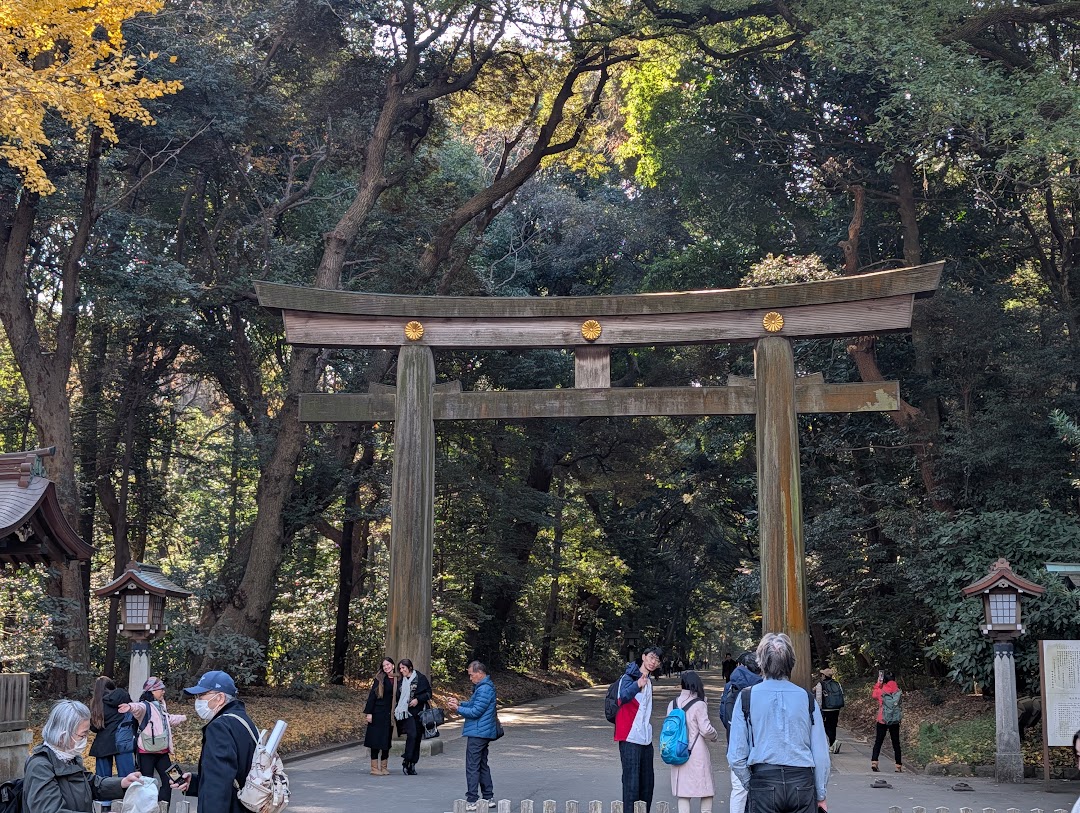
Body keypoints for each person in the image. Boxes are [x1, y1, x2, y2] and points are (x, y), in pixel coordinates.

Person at [727, 633, 830, 813]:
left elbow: (736, 756)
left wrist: (751, 784)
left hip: (764, 779)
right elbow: (821, 753)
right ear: (791, 662)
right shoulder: (807, 698)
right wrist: (820, 793)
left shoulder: (746, 697)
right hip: (802, 782)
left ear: (761, 662)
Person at [23, 698, 142, 813]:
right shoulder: (40, 767)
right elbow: (49, 810)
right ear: (63, 735)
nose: (85, 739)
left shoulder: (69, 757)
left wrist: (122, 783)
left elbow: (89, 783)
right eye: (82, 735)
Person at [171, 670, 258, 813]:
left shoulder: (219, 727)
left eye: (202, 695)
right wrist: (194, 783)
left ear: (220, 698)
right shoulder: (243, 721)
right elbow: (231, 774)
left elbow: (218, 784)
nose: (197, 701)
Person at [122, 676, 187, 812]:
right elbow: (138, 708)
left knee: (171, 780)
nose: (163, 691)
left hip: (163, 752)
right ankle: (147, 809)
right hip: (146, 753)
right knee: (146, 784)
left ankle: (163, 808)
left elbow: (167, 720)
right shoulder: (145, 706)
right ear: (152, 691)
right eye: (160, 689)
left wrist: (182, 718)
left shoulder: (160, 705)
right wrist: (130, 707)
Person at [614, 645, 663, 813]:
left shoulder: (649, 681)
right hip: (629, 737)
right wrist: (637, 685)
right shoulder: (628, 677)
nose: (653, 662)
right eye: (651, 657)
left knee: (647, 785)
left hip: (645, 739)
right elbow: (621, 698)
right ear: (643, 657)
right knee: (632, 785)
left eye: (657, 660)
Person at [447, 660, 498, 811]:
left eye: (471, 675)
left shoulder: (484, 689)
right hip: (482, 731)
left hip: (478, 732)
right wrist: (460, 703)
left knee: (472, 765)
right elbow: (473, 704)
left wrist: (457, 709)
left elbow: (475, 712)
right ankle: (488, 797)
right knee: (481, 764)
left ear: (480, 673)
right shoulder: (483, 687)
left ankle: (472, 799)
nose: (470, 678)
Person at [668, 670, 718, 813]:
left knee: (683, 793)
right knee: (706, 790)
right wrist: (715, 736)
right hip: (696, 752)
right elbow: (706, 730)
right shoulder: (699, 704)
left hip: (678, 751)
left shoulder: (672, 704)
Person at [718, 651, 762, 813]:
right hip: (760, 746)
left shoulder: (730, 686)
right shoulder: (763, 687)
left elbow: (723, 715)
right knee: (762, 789)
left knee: (739, 789)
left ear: (741, 665)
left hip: (736, 744)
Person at [88, 675, 136, 805]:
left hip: (103, 745)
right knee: (128, 777)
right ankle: (131, 804)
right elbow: (132, 712)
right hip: (122, 742)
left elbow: (95, 727)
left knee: (103, 781)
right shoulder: (122, 695)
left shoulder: (97, 703)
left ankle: (104, 806)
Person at [395, 658, 432, 775]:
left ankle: (412, 763)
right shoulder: (401, 681)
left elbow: (429, 693)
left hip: (419, 712)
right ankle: (407, 759)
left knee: (417, 738)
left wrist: (417, 699)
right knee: (412, 734)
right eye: (400, 668)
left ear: (409, 667)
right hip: (406, 712)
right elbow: (397, 696)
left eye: (403, 668)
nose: (401, 670)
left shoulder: (420, 678)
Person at [363, 656, 397, 776]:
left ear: (393, 665)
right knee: (375, 740)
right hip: (378, 712)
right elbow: (372, 696)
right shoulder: (380, 678)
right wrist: (369, 712)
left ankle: (384, 767)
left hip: (390, 714)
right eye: (384, 666)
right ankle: (374, 768)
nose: (386, 667)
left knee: (386, 741)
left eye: (388, 664)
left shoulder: (398, 679)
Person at [871, 669, 902, 773]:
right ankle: (898, 765)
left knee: (878, 741)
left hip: (882, 719)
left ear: (884, 680)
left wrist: (878, 684)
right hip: (894, 720)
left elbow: (874, 695)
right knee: (896, 742)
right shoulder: (898, 692)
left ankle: (874, 762)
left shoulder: (881, 690)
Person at [813, 667, 843, 753]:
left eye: (822, 674)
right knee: (833, 726)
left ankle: (833, 742)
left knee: (826, 726)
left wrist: (818, 709)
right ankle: (832, 745)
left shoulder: (820, 684)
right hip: (836, 708)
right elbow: (841, 694)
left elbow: (819, 698)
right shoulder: (837, 683)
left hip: (826, 709)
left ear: (824, 676)